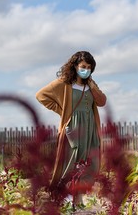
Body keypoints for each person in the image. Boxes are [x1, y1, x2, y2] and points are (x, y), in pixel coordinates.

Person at [36, 51, 107, 196]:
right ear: (75, 66)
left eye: (88, 67)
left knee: (91, 162)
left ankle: (79, 195)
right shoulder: (65, 83)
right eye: (82, 66)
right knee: (71, 161)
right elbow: (41, 95)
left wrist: (92, 87)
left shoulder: (91, 85)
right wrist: (63, 112)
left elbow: (102, 102)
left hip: (90, 127)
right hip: (73, 127)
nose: (85, 70)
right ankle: (63, 195)